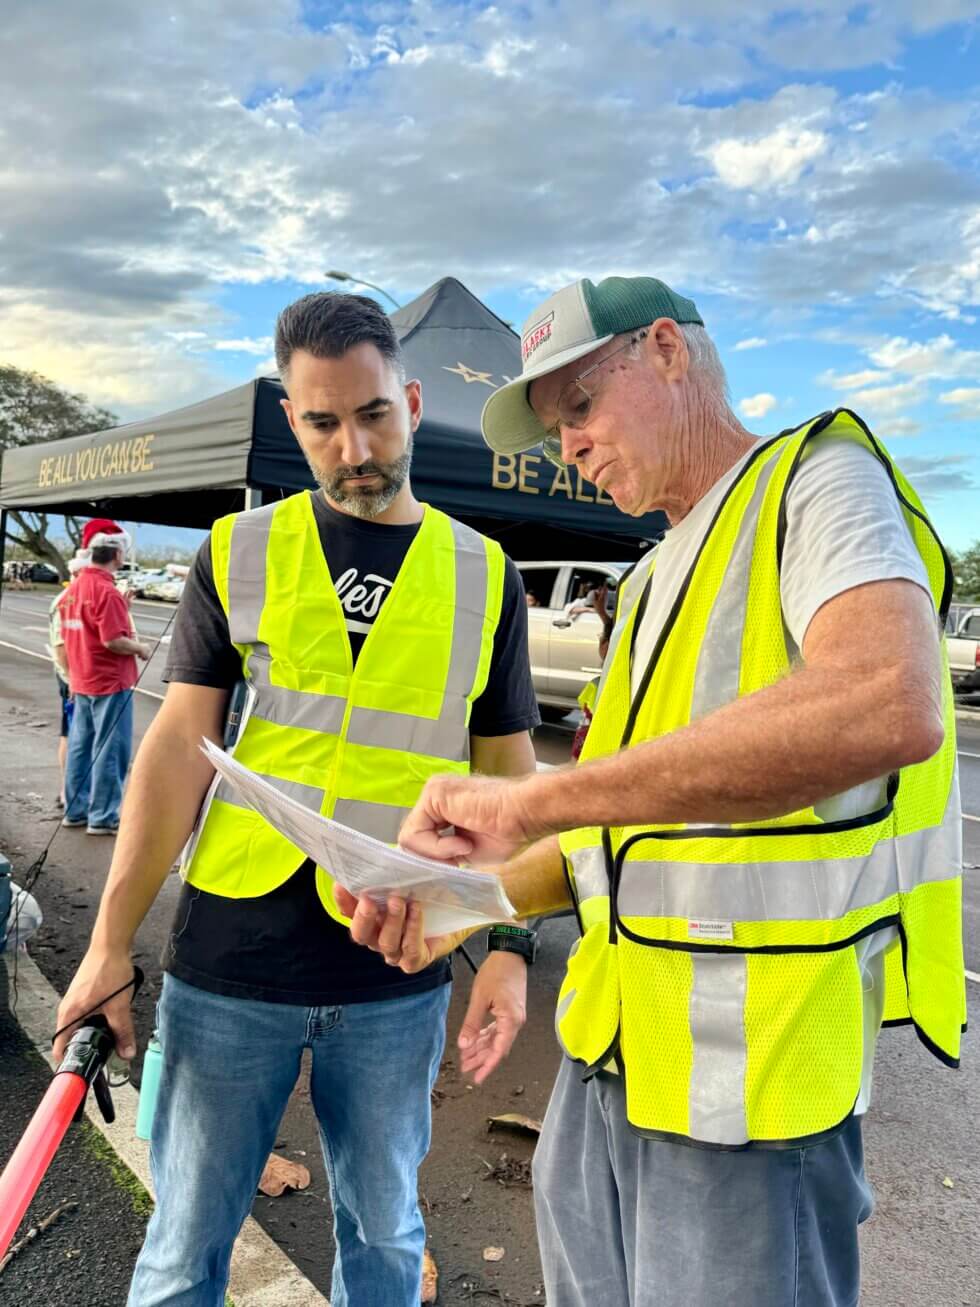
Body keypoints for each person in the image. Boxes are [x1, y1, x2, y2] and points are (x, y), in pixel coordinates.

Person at [342, 276, 965, 1307]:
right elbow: (618, 835)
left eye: (579, 405)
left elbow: (886, 699)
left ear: (667, 351)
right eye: (554, 428)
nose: (569, 445)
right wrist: (461, 902)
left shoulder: (814, 479)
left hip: (752, 1092)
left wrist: (534, 797)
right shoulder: (647, 579)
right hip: (611, 1058)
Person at [53, 292, 539, 1307]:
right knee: (185, 1244)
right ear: (292, 422)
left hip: (395, 965)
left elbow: (508, 781)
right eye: (322, 422)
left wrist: (506, 945)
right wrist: (109, 943)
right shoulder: (237, 551)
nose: (351, 445)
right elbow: (176, 755)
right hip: (232, 959)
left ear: (410, 401)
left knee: (384, 1238)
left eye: (372, 414)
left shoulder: (484, 576)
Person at [60, 520, 151, 835]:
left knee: (80, 747)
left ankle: (76, 809)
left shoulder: (74, 589)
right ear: (116, 553)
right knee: (110, 750)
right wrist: (141, 648)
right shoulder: (105, 591)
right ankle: (103, 816)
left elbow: (81, 631)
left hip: (82, 678)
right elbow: (113, 640)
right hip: (110, 681)